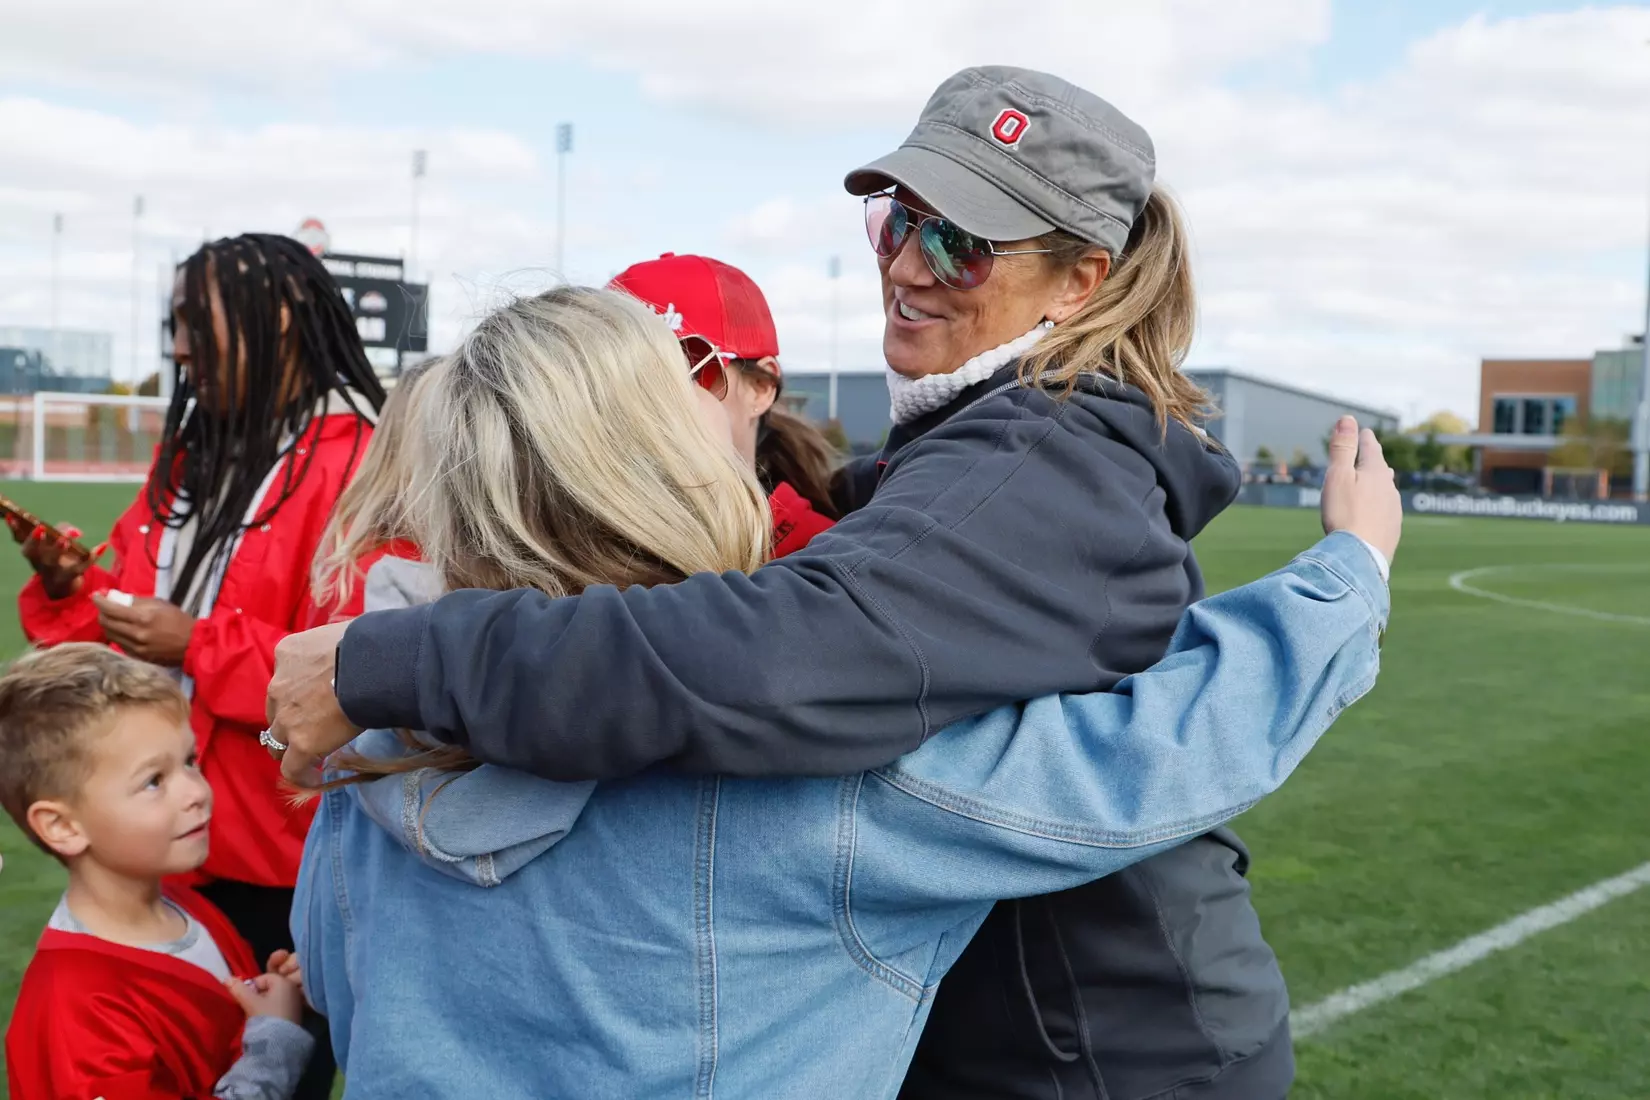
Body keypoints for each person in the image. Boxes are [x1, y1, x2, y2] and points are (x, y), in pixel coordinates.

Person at [266, 68, 1354, 1095]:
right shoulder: (830, 776)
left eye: (965, 241)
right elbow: (1147, 757)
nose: (911, 261)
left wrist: (386, 659)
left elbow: (787, 650)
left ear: (1084, 281)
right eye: (899, 218)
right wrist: (1340, 592)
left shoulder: (367, 761)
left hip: (1088, 1055)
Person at [11, 232, 385, 1097]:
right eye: (172, 323)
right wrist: (78, 593)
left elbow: (355, 674)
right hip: (167, 855)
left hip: (282, 867)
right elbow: (134, 644)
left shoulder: (360, 462)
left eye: (195, 322)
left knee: (269, 1073)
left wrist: (199, 644)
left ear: (281, 320)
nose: (177, 347)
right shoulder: (193, 452)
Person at [2, 644, 315, 1100]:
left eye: (189, 761)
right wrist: (274, 1038)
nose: (195, 791)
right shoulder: (75, 1016)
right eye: (154, 780)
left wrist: (268, 996)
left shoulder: (182, 904)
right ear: (63, 826)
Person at [609, 252, 839, 555]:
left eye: (685, 370)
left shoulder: (825, 557)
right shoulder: (568, 549)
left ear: (761, 388)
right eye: (613, 377)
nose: (647, 400)